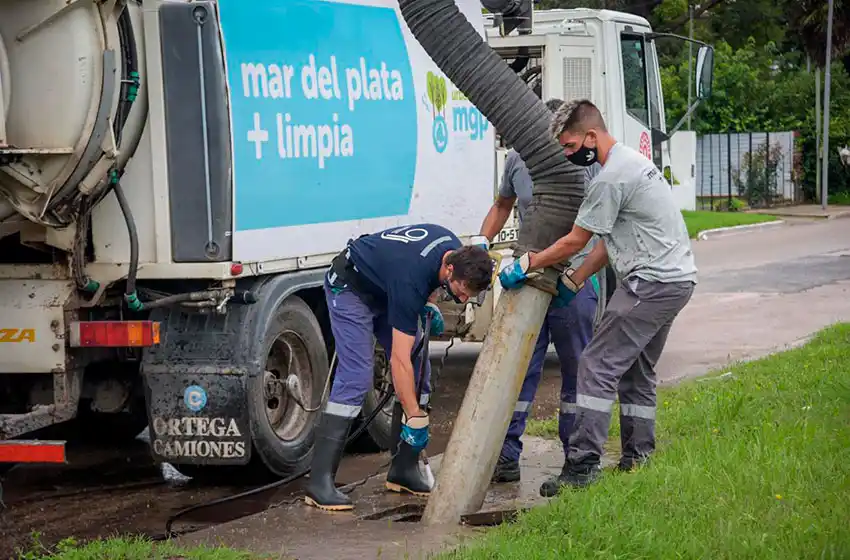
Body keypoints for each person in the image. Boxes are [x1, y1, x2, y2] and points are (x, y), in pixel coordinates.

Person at [498, 99, 697, 495]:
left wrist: (528, 263)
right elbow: (608, 238)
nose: (569, 155)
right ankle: (638, 458)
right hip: (677, 280)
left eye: (570, 147)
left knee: (594, 364)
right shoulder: (631, 164)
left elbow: (577, 239)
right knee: (637, 371)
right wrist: (574, 281)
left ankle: (583, 465)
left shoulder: (610, 178)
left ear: (591, 136)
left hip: (651, 283)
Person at [305, 223, 494, 511]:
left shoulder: (453, 250)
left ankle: (403, 471)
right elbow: (398, 362)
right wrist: (415, 416)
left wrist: (427, 303)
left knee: (421, 369)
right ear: (451, 271)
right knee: (356, 375)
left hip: (384, 288)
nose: (463, 299)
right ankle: (319, 483)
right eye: (462, 291)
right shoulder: (410, 279)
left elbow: (425, 280)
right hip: (350, 288)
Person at [470, 98, 601, 483]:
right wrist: (480, 242)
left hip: (570, 280)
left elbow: (590, 229)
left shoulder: (583, 161)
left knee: (578, 370)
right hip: (527, 277)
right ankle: (506, 455)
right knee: (519, 367)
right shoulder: (517, 160)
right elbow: (502, 205)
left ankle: (577, 459)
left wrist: (572, 276)